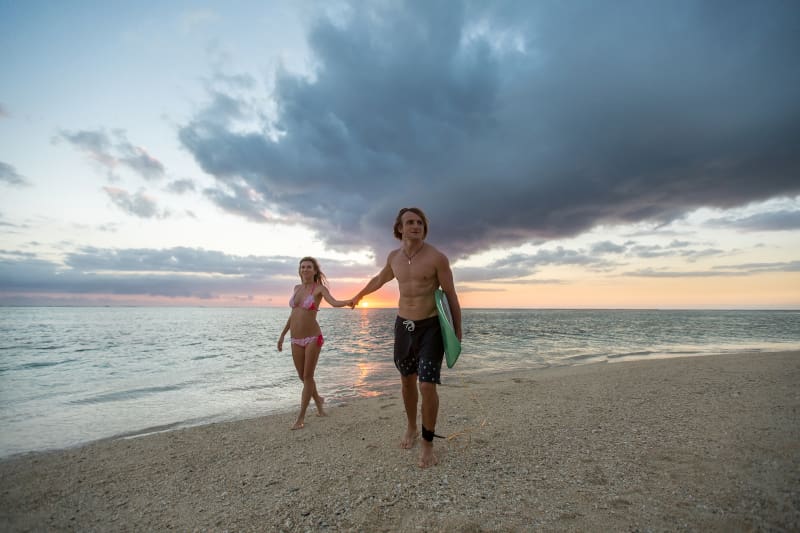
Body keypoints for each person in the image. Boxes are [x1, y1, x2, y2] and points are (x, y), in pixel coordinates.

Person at [352, 207, 462, 468]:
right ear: (400, 229)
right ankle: (411, 426)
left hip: (431, 327)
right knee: (406, 382)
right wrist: (359, 295)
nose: (416, 226)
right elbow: (379, 279)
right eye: (410, 222)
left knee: (427, 385)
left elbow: (451, 295)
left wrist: (457, 331)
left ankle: (427, 442)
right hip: (404, 326)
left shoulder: (437, 258)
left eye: (420, 222)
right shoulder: (394, 258)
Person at [278, 257, 353, 430]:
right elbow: (293, 315)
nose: (305, 269)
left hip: (313, 338)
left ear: (314, 271)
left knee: (307, 376)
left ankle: (301, 418)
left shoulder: (319, 288)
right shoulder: (296, 288)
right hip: (295, 339)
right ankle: (319, 402)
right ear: (299, 270)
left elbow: (334, 302)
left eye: (308, 267)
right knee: (302, 376)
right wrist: (282, 335)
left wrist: (348, 301)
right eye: (302, 267)